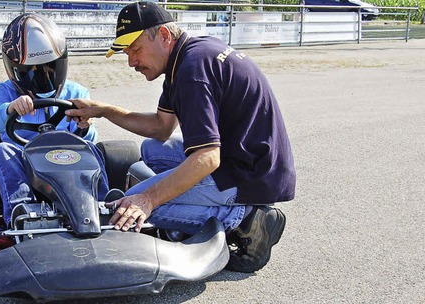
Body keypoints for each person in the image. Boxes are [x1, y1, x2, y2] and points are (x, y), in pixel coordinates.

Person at [65, 2, 296, 273]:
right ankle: (199, 204)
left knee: (130, 209)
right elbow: (161, 128)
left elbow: (208, 157)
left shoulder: (192, 71)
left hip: (248, 174)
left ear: (164, 35)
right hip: (249, 157)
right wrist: (104, 110)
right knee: (153, 149)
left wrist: (149, 199)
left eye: (136, 49)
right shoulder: (188, 56)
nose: (131, 62)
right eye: (127, 53)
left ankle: (247, 219)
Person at [0, 13, 110, 226]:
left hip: (67, 160)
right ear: (15, 70)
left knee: (91, 146)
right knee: (2, 150)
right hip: (24, 160)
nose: (43, 75)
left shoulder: (76, 91)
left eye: (50, 68)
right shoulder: (5, 91)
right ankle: (22, 211)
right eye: (33, 71)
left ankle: (102, 206)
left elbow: (88, 135)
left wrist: (86, 125)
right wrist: (11, 108)